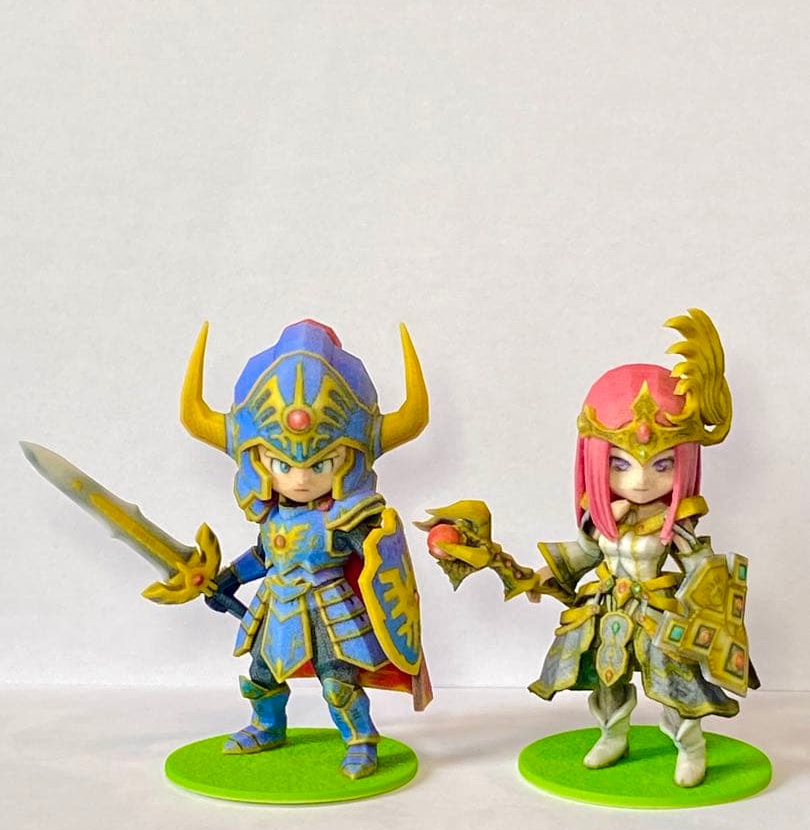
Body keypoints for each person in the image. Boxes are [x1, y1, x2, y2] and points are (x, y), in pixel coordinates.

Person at [425, 309, 754, 787]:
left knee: (676, 685)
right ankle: (612, 735)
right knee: (606, 676)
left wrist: (709, 605)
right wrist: (538, 577)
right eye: (621, 464)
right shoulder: (600, 520)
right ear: (596, 461)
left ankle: (690, 746)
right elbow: (582, 556)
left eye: (662, 465)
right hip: (607, 607)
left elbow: (707, 575)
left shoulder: (677, 522)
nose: (641, 480)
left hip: (660, 612)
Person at [181, 318, 432, 779]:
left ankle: (360, 740)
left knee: (338, 680)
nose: (300, 479)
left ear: (347, 460)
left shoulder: (345, 517)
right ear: (258, 461)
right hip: (276, 601)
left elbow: (377, 562)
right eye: (282, 464)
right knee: (262, 673)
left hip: (330, 605)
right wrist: (230, 579)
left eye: (320, 464)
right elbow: (264, 555)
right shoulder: (273, 516)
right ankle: (267, 726)